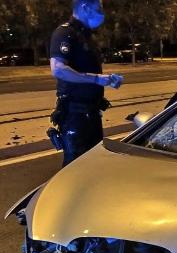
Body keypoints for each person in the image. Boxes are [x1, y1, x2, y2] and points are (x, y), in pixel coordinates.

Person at [49, 0, 123, 166]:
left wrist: (108, 80)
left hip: (91, 113)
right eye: (99, 7)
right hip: (75, 114)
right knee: (75, 167)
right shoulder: (65, 33)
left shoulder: (85, 37)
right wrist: (96, 79)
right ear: (85, 7)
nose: (102, 12)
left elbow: (86, 72)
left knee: (93, 165)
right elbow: (58, 69)